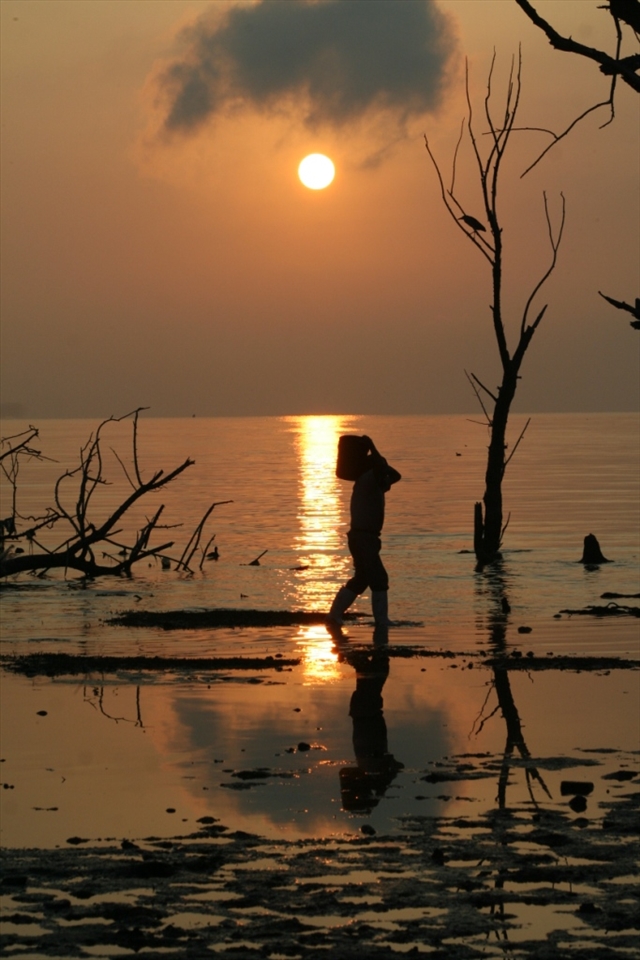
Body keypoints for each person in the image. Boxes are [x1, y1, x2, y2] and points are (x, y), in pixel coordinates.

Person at [327, 435, 401, 634]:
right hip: (363, 538)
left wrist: (374, 453)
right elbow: (385, 471)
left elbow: (395, 476)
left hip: (365, 538)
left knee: (361, 579)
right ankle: (381, 622)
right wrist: (373, 448)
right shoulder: (369, 479)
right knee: (379, 578)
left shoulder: (372, 481)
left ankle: (334, 616)